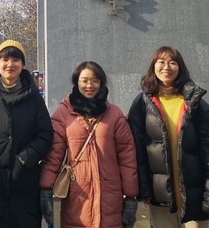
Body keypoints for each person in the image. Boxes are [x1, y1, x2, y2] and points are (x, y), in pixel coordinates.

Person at [127, 46, 209, 228]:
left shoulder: (194, 102)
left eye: (172, 62)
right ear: (153, 66)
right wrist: (143, 188)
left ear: (180, 67)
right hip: (160, 195)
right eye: (161, 62)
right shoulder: (142, 103)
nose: (166, 67)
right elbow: (136, 150)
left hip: (195, 194)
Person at [39, 61, 139, 228]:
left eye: (94, 81)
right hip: (77, 196)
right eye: (84, 80)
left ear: (101, 83)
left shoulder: (114, 114)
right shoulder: (64, 113)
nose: (89, 85)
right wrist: (46, 188)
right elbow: (53, 155)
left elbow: (127, 157)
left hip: (110, 197)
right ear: (76, 82)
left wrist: (130, 196)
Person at [0, 40, 53, 228]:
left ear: (22, 64)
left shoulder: (34, 99)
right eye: (4, 59)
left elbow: (45, 134)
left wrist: (26, 157)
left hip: (24, 183)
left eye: (15, 60)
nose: (10, 64)